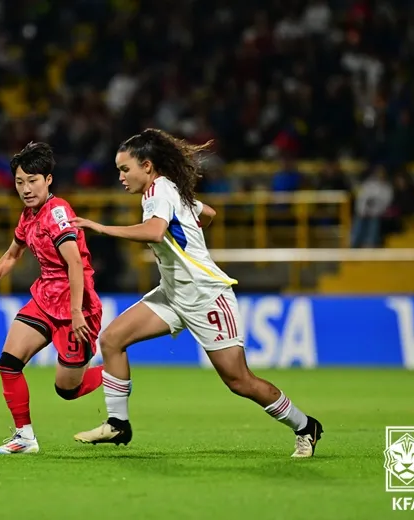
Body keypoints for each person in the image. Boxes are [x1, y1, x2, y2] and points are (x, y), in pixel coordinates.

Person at [71, 129, 323, 458]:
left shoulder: (159, 190)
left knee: (239, 380)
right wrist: (190, 237)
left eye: (124, 169)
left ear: (147, 166)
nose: (120, 177)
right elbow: (209, 214)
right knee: (113, 339)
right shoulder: (169, 190)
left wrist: (101, 228)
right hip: (174, 294)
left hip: (206, 297)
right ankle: (118, 423)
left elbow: (155, 231)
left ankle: (305, 426)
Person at [0, 142, 104, 455]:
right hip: (45, 298)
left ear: (48, 180)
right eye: (20, 182)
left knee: (67, 390)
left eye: (32, 181)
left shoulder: (57, 213)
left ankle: (115, 373)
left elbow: (74, 263)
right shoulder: (29, 215)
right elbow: (13, 253)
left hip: (77, 304)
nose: (26, 188)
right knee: (8, 363)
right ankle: (24, 437)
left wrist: (75, 312)